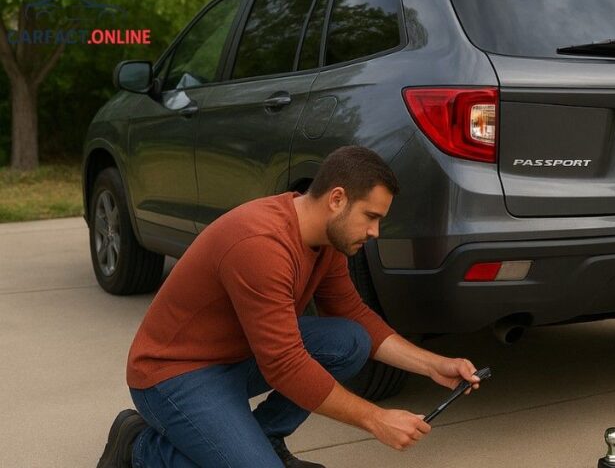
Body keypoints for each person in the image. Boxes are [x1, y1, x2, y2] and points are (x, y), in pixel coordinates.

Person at [97, 146, 481, 468]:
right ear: (337, 199)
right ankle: (139, 448)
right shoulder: (262, 244)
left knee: (350, 339)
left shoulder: (325, 241)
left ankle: (265, 438)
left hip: (236, 357)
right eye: (371, 217)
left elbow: (353, 314)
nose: (375, 231)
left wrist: (435, 365)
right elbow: (285, 365)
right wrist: (376, 419)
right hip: (173, 374)